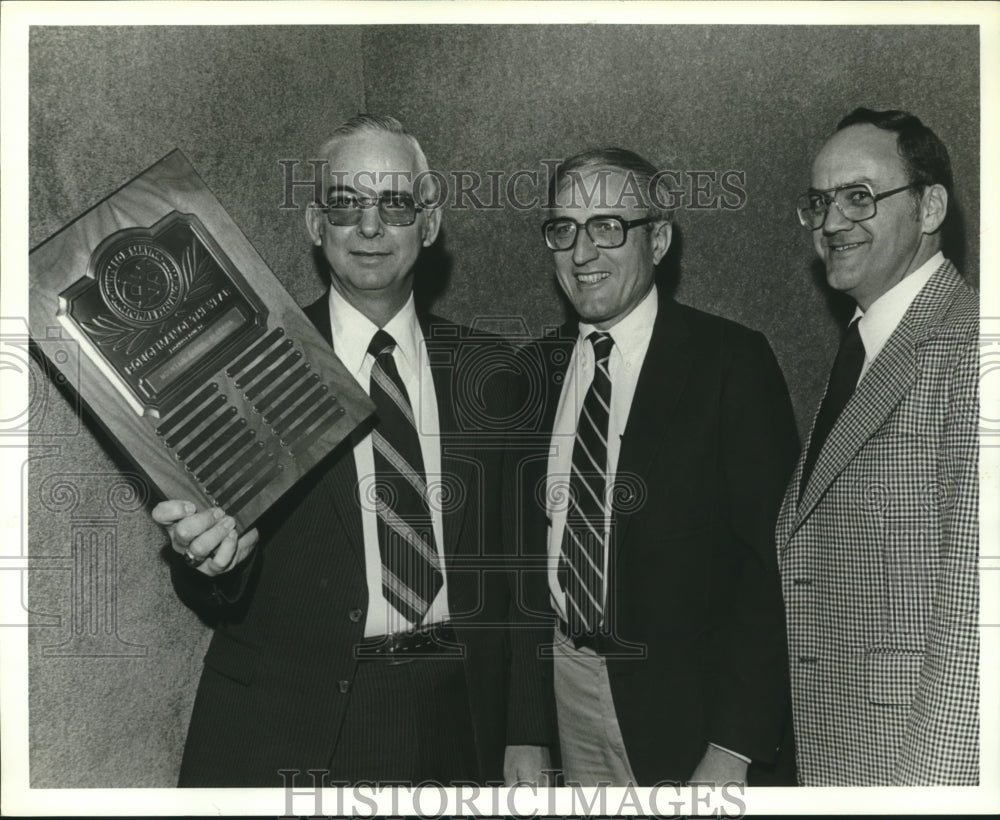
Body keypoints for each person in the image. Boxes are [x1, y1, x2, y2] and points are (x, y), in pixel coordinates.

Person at [152, 115, 542, 787]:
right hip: (294, 724)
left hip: (460, 720)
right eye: (346, 202)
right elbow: (213, 579)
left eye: (394, 203)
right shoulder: (248, 367)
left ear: (430, 222)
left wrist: (529, 733)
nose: (369, 227)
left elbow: (525, 570)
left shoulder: (493, 372)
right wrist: (212, 557)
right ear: (315, 223)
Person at [504, 148, 799, 786]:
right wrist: (524, 729)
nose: (582, 253)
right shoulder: (531, 373)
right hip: (565, 688)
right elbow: (519, 569)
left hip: (694, 720)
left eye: (609, 227)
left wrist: (736, 745)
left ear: (658, 239)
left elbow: (772, 568)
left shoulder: (731, 363)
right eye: (564, 229)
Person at [778, 107, 979, 785]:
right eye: (820, 202)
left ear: (929, 208)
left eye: (860, 196)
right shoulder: (867, 348)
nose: (833, 223)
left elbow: (978, 620)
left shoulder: (973, 347)